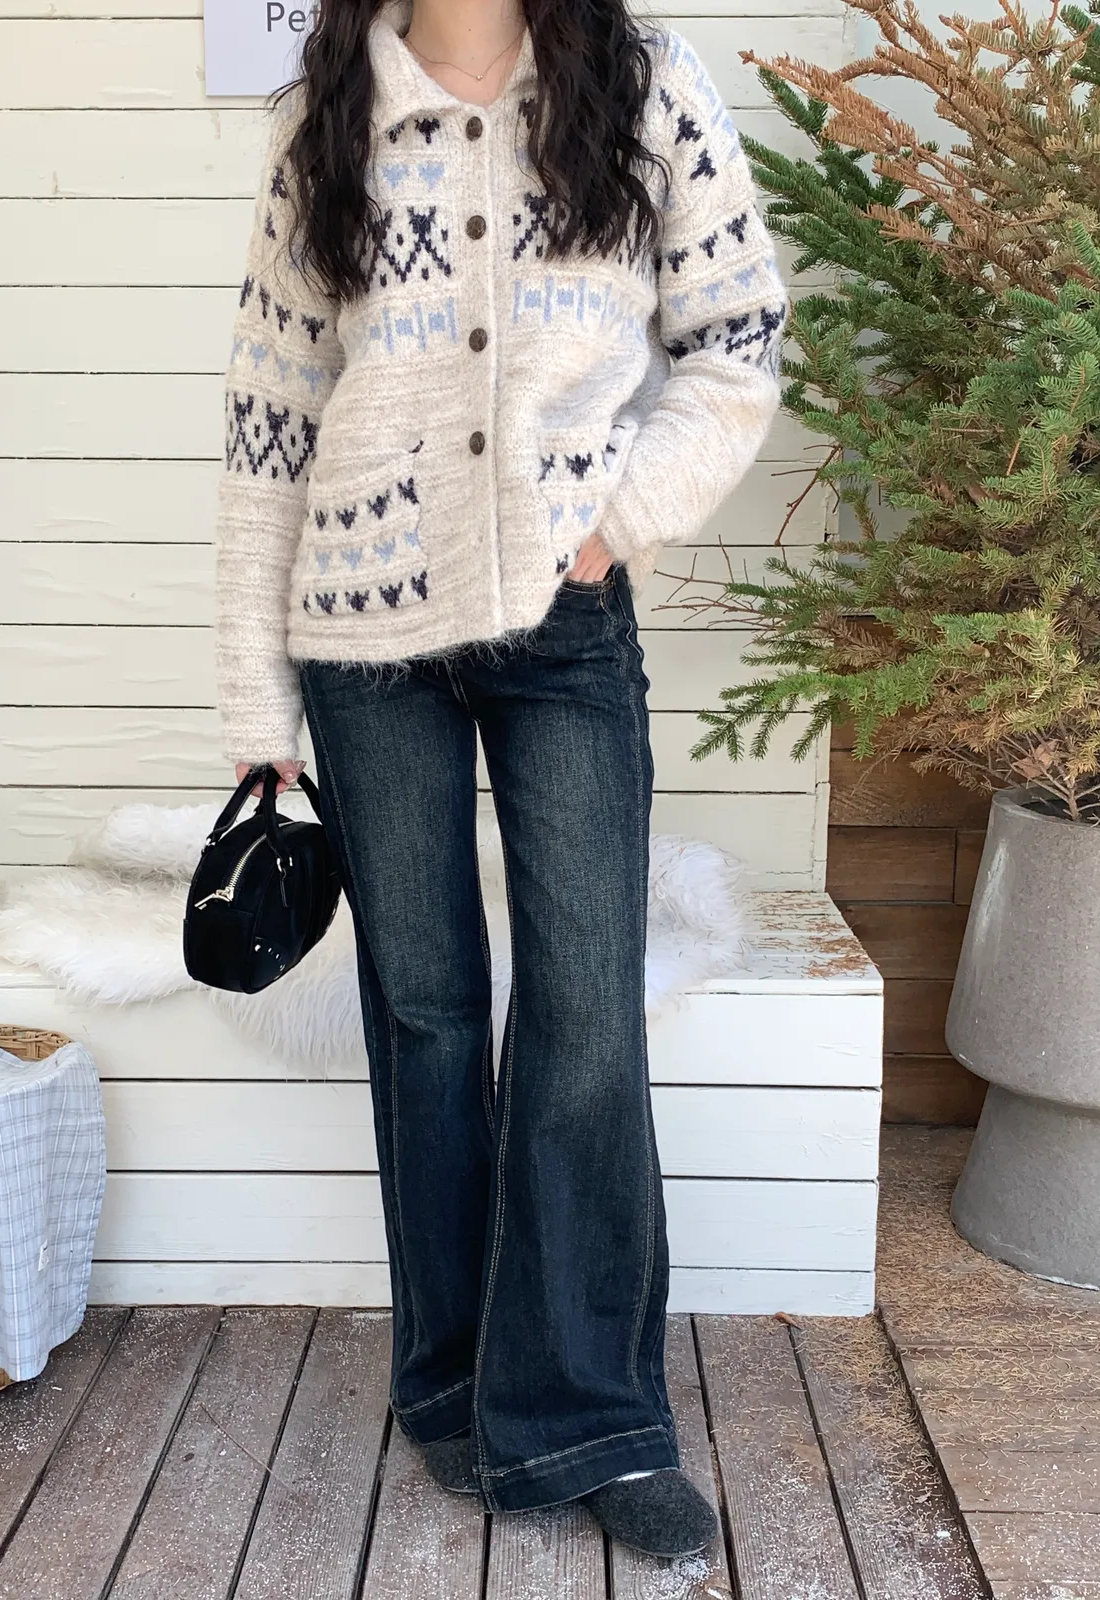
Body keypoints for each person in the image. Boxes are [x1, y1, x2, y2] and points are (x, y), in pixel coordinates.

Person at [215, 0, 784, 1557]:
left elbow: (737, 338)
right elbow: (269, 421)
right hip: (361, 642)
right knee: (425, 1013)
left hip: (565, 625)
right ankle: (456, 1384)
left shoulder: (643, 85)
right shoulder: (325, 115)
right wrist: (257, 697)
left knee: (586, 1011)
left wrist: (612, 523)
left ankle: (592, 1412)